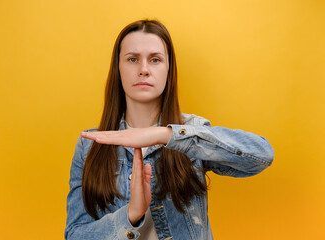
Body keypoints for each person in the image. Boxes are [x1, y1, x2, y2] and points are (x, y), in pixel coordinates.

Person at [65, 19, 274, 240]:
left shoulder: (192, 132)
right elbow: (75, 234)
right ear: (118, 68)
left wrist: (165, 135)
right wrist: (130, 216)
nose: (144, 69)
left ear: (168, 69)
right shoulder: (89, 145)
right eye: (132, 59)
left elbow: (261, 155)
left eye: (155, 60)